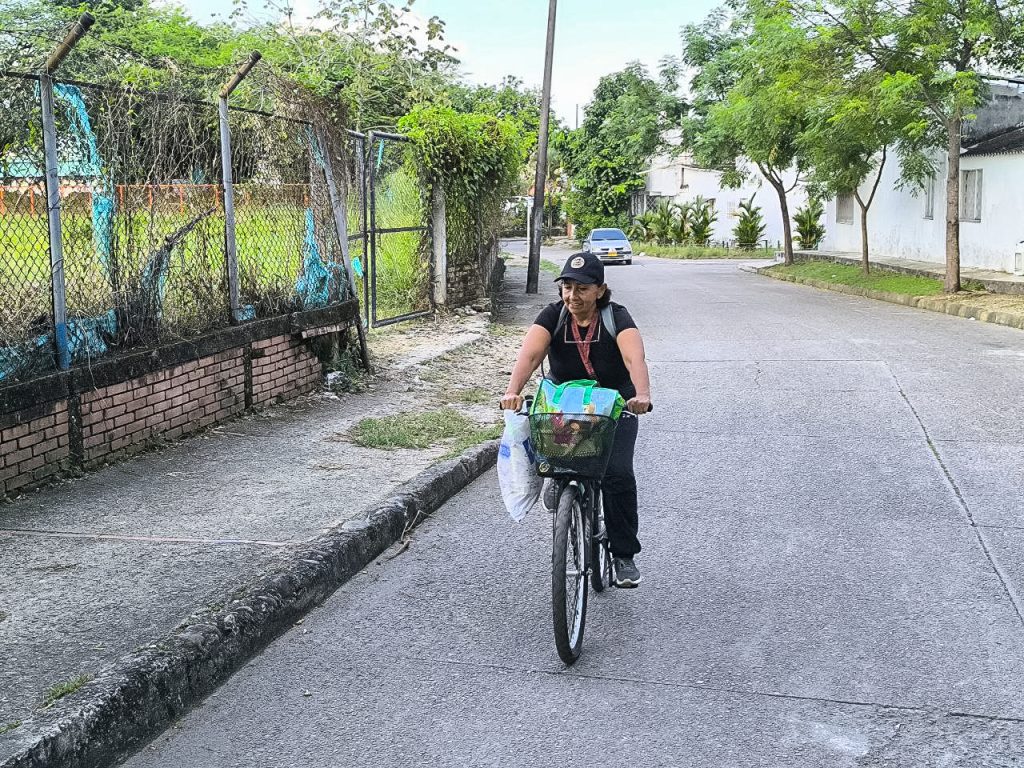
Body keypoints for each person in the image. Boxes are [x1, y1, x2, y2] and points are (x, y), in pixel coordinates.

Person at [500, 251, 653, 587]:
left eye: (582, 288)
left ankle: (623, 556)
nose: (573, 295)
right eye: (568, 287)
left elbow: (634, 356)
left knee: (617, 473)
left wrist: (641, 396)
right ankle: (558, 481)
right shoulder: (554, 316)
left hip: (614, 405)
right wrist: (512, 392)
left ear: (599, 290)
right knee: (551, 448)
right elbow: (530, 353)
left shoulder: (616, 317)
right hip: (566, 402)